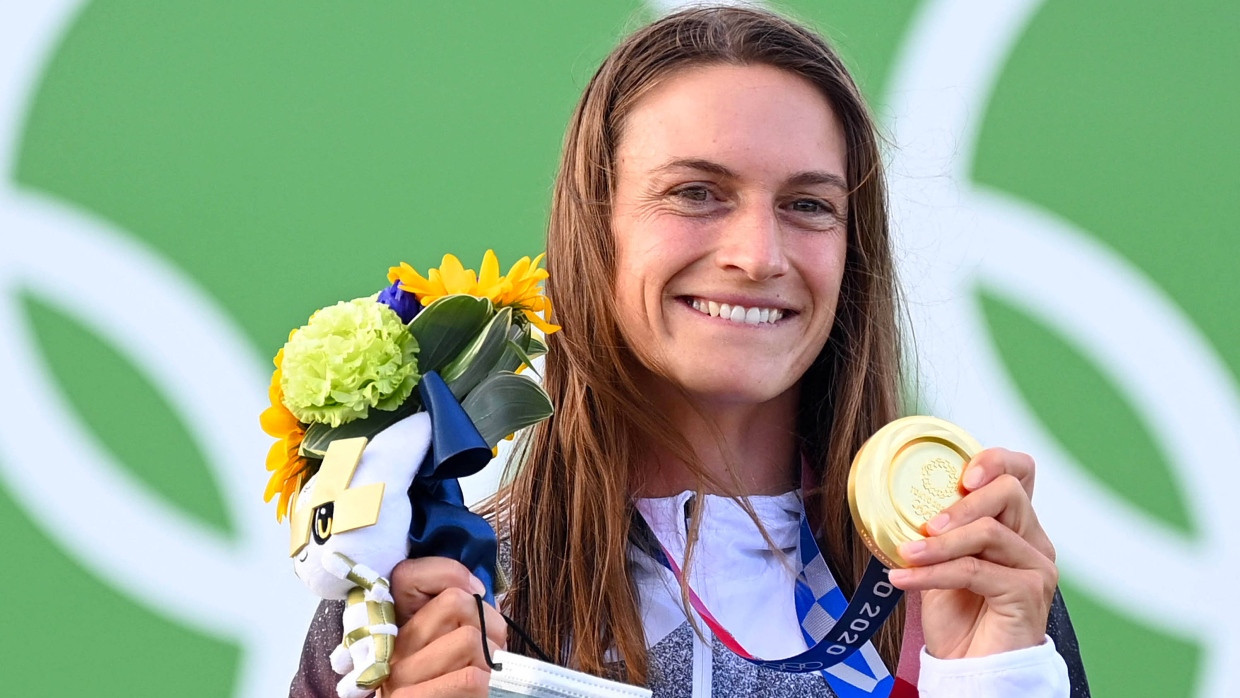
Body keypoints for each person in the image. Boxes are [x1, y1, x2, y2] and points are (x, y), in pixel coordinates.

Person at [291, 6, 1088, 697]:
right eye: (696, 193)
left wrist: (994, 679)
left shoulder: (963, 579)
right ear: (594, 229)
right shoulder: (432, 592)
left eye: (808, 205)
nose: (759, 254)